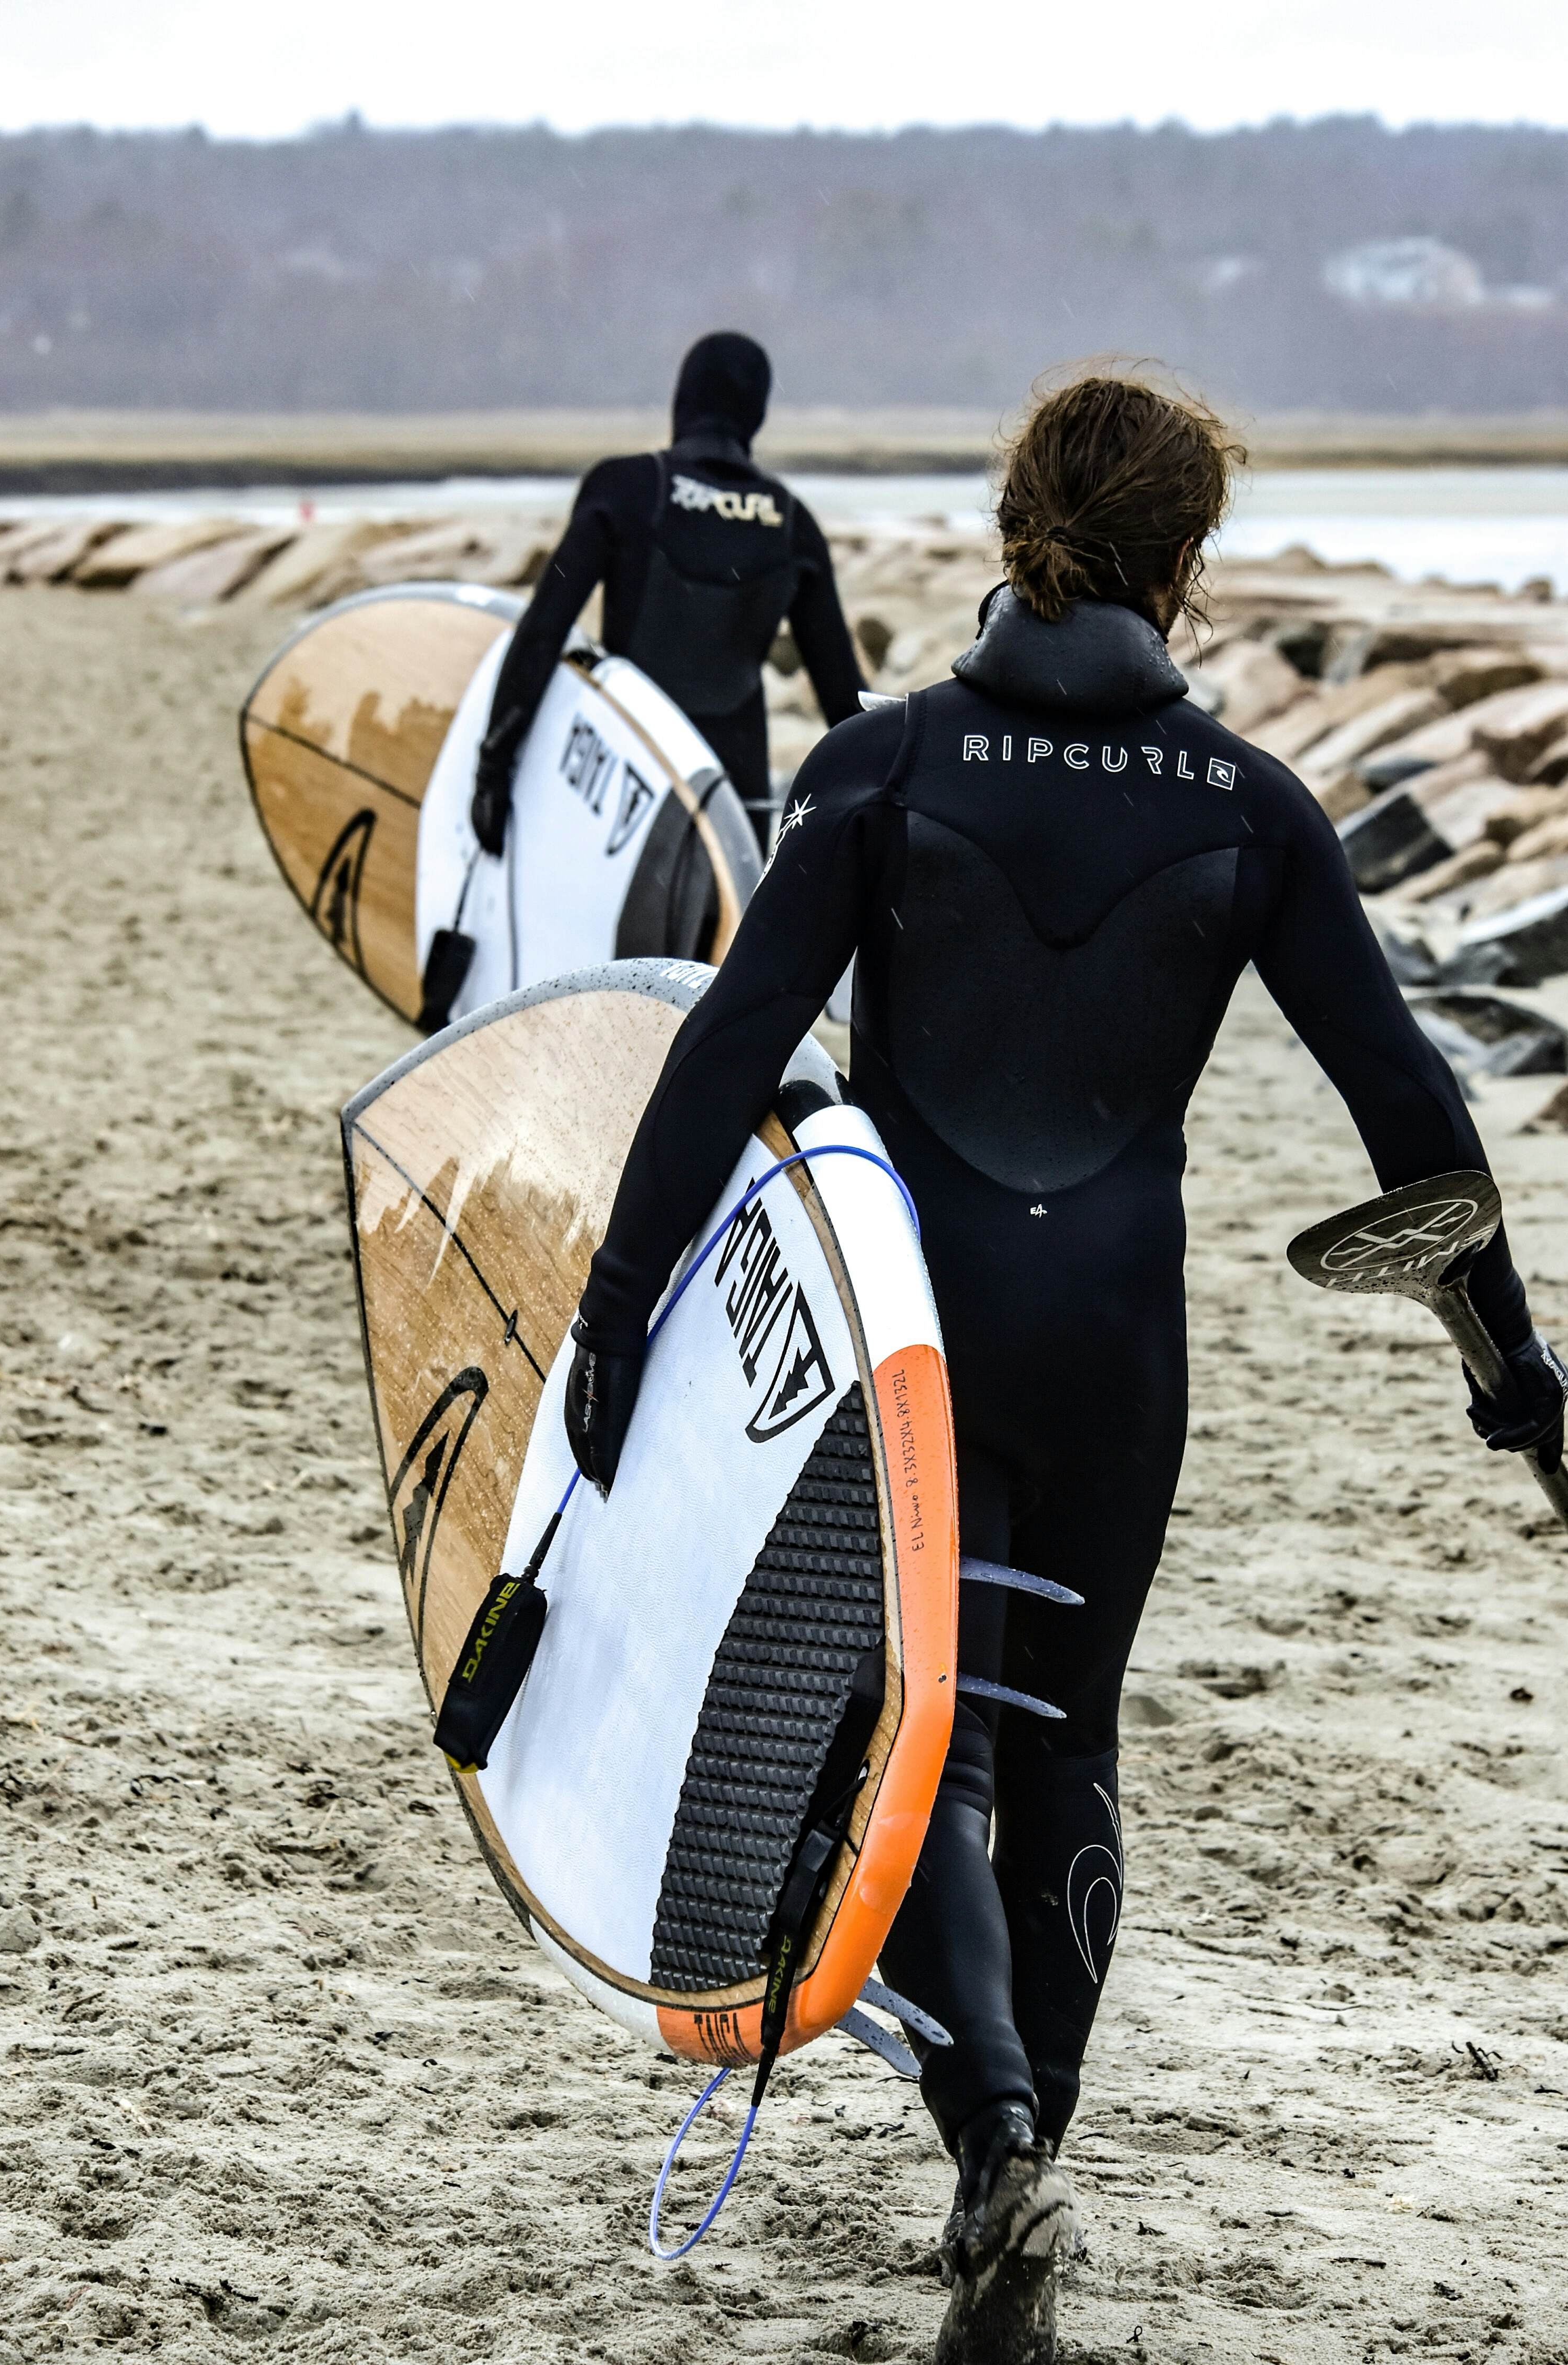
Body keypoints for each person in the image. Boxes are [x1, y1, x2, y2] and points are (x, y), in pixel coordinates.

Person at [558, 372, 1565, 2363]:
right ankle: (1004, 2178)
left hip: (917, 1331)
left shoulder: (882, 763)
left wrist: (614, 1309)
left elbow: (727, 1047)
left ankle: (998, 2136)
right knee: (1061, 1731)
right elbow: (1405, 1103)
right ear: (1183, 560)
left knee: (910, 1725)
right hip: (1117, 1338)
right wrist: (1510, 1373)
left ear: (1014, 515)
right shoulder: (1251, 810)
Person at [471, 330, 864, 854]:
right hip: (735, 805)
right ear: (757, 415)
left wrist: (494, 765)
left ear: (683, 399)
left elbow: (544, 630)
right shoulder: (792, 524)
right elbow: (846, 703)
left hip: (624, 784)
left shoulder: (625, 489)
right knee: (723, 937)